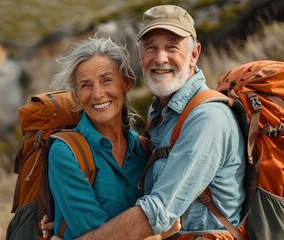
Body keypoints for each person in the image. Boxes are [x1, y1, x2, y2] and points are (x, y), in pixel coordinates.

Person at [47, 5, 246, 240]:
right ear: (140, 55)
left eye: (172, 47)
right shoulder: (159, 121)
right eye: (151, 47)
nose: (160, 58)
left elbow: (158, 212)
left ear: (194, 54)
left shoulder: (207, 119)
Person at [46, 36, 180, 240]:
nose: (98, 94)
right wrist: (158, 236)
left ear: (126, 83)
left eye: (106, 80)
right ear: (76, 96)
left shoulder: (145, 151)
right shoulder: (66, 153)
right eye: (85, 85)